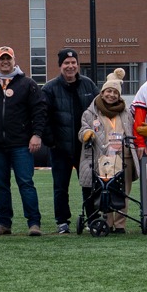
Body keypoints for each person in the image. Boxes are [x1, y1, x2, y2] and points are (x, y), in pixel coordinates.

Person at [0, 45, 47, 236]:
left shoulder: (27, 84)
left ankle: (34, 223)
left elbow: (39, 111)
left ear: (14, 60)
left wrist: (37, 134)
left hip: (22, 144)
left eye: (8, 58)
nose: (5, 62)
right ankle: (4, 223)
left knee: (26, 183)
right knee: (1, 185)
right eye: (1, 59)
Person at [42, 48, 98, 235]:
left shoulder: (88, 85)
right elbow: (43, 117)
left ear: (78, 65)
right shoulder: (49, 89)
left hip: (86, 147)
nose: (70, 66)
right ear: (60, 65)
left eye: (73, 63)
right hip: (60, 148)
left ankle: (92, 218)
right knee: (60, 187)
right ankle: (62, 222)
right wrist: (51, 141)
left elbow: (100, 109)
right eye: (66, 63)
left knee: (89, 184)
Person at [76, 73, 136, 233]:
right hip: (102, 156)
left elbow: (133, 130)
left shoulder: (126, 112)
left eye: (115, 92)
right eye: (108, 91)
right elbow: (82, 129)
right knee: (105, 190)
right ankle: (108, 223)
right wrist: (87, 133)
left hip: (124, 157)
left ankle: (121, 224)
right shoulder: (90, 113)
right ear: (102, 93)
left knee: (124, 191)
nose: (111, 95)